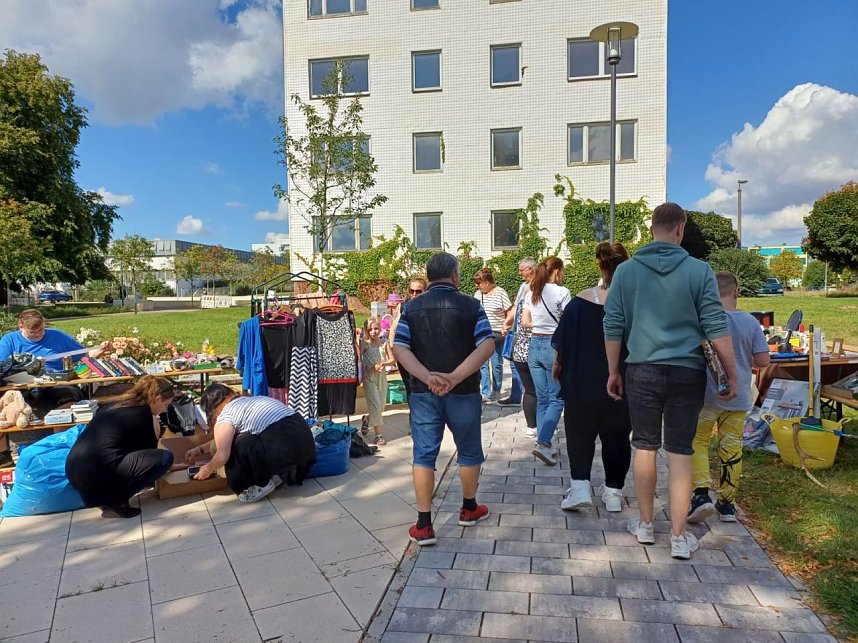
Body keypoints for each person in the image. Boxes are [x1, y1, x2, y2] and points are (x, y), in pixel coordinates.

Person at [603, 202, 738, 560]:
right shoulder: (700, 270)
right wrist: (732, 372)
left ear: (651, 229)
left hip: (641, 369)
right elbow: (715, 323)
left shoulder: (627, 272)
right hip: (687, 371)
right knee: (680, 452)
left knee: (644, 446)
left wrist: (614, 371)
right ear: (680, 228)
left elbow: (613, 324)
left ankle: (646, 526)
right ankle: (679, 537)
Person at [392, 252, 495, 546]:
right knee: (469, 451)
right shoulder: (472, 306)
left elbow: (400, 348)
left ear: (429, 276)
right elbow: (487, 345)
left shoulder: (410, 308)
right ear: (454, 276)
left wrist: (428, 377)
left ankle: (424, 524)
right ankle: (469, 507)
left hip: (425, 394)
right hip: (463, 392)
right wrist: (454, 377)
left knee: (424, 455)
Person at [553, 243, 632, 512]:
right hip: (622, 382)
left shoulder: (579, 302)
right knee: (618, 438)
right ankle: (613, 494)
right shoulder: (635, 304)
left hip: (581, 381)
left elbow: (561, 343)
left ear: (602, 266)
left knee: (579, 434)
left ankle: (580, 488)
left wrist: (558, 366)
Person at [688, 271, 770, 523]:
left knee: (698, 442)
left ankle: (701, 493)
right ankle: (727, 504)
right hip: (738, 398)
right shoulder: (749, 322)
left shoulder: (702, 321)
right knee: (731, 445)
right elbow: (762, 360)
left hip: (705, 397)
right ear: (736, 292)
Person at [66, 376, 176, 518]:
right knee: (166, 458)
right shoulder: (142, 414)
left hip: (75, 472)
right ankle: (116, 500)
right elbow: (150, 457)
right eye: (165, 405)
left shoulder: (117, 405)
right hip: (96, 476)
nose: (164, 410)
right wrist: (172, 465)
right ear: (157, 399)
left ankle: (105, 497)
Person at [188, 384, 316, 503]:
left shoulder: (225, 416)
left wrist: (208, 468)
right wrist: (200, 449)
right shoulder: (250, 401)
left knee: (241, 442)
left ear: (211, 409)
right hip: (304, 444)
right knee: (247, 437)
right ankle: (278, 475)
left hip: (282, 448)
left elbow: (222, 455)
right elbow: (223, 438)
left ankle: (262, 483)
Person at [0, 309, 110, 412]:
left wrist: (98, 350)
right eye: (32, 332)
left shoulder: (57, 335)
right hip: (23, 387)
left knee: (68, 398)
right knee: (10, 399)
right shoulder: (10, 340)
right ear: (21, 327)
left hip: (57, 384)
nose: (38, 334)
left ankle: (63, 431)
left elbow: (83, 354)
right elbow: (3, 366)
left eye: (41, 330)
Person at [521, 257, 571, 466]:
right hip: (553, 346)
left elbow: (525, 322)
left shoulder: (532, 290)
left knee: (542, 398)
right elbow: (568, 322)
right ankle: (543, 443)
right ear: (557, 271)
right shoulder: (562, 292)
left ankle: (545, 444)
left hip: (534, 344)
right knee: (557, 398)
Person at [500, 258, 537, 435]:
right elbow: (515, 307)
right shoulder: (524, 287)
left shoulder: (544, 285)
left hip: (534, 342)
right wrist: (507, 321)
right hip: (525, 343)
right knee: (533, 389)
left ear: (531, 269)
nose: (520, 273)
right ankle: (534, 426)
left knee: (537, 389)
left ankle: (537, 427)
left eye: (522, 270)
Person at [473, 268, 514, 403]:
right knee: (483, 364)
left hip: (497, 333)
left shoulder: (500, 293)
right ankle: (485, 392)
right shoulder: (478, 295)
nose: (477, 286)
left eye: (479, 283)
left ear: (488, 282)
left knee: (496, 363)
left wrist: (506, 325)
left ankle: (496, 390)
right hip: (482, 333)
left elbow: (510, 311)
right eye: (476, 283)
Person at [388, 277, 427, 409]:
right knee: (410, 387)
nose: (414, 294)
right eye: (412, 291)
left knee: (422, 388)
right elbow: (393, 329)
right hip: (405, 353)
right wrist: (393, 351)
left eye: (418, 291)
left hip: (422, 354)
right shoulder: (403, 306)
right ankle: (414, 422)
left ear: (425, 291)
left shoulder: (428, 306)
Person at [360, 316, 396, 446]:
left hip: (381, 377)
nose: (374, 331)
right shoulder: (364, 344)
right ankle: (378, 435)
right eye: (370, 329)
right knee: (375, 405)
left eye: (376, 328)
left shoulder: (383, 343)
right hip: (369, 378)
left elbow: (393, 360)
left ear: (380, 329)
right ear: (366, 330)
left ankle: (368, 419)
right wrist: (370, 366)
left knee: (381, 406)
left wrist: (384, 363)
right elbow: (359, 362)